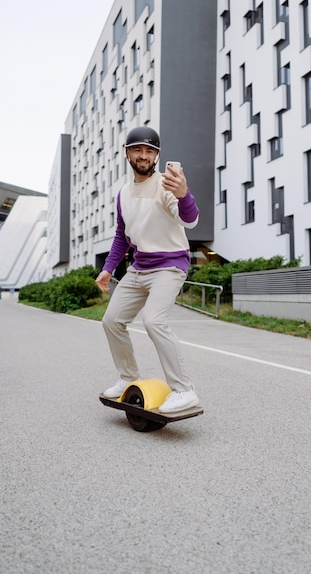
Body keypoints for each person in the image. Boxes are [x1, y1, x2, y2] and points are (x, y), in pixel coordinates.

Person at [95, 126, 200, 413]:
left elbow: (189, 220)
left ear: (157, 156)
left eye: (150, 151)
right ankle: (128, 378)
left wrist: (184, 195)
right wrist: (107, 269)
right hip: (139, 268)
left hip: (169, 265)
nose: (144, 156)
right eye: (138, 150)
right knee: (111, 321)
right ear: (128, 153)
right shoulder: (123, 194)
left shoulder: (166, 185)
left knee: (154, 321)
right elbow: (121, 235)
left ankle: (184, 390)